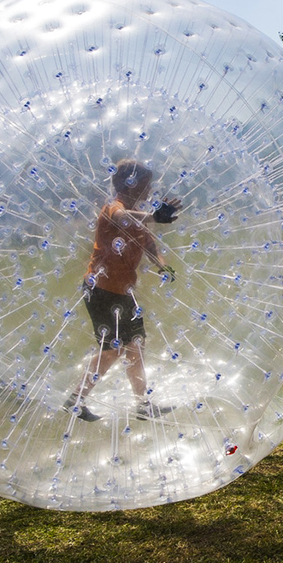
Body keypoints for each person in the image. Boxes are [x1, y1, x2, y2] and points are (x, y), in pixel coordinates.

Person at [64, 159, 182, 422]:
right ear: (132, 183)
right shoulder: (113, 209)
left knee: (135, 345)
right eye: (146, 185)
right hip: (102, 289)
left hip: (123, 291)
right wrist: (153, 216)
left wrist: (163, 266)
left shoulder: (138, 215)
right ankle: (75, 400)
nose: (149, 190)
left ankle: (143, 405)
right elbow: (123, 218)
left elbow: (150, 246)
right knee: (113, 349)